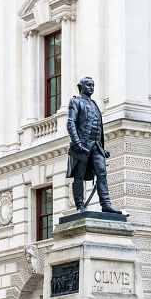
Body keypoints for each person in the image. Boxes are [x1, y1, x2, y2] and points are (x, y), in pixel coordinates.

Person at [66, 76, 123, 214]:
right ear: (81, 87)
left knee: (102, 174)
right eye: (89, 85)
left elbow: (98, 127)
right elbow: (70, 123)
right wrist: (77, 143)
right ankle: (80, 206)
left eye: (93, 85)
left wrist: (102, 149)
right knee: (79, 176)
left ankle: (106, 204)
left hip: (96, 146)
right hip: (81, 146)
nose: (92, 88)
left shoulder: (95, 104)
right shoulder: (75, 102)